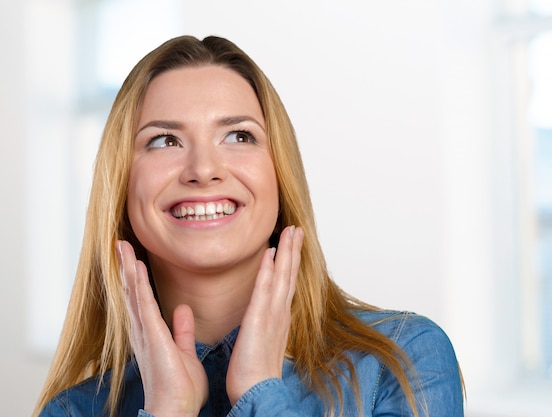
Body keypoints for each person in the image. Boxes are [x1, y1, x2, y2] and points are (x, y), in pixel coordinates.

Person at [33, 35, 464, 417]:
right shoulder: (71, 411)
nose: (203, 169)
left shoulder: (405, 360)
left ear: (280, 173)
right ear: (122, 186)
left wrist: (260, 392)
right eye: (164, 140)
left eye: (239, 136)